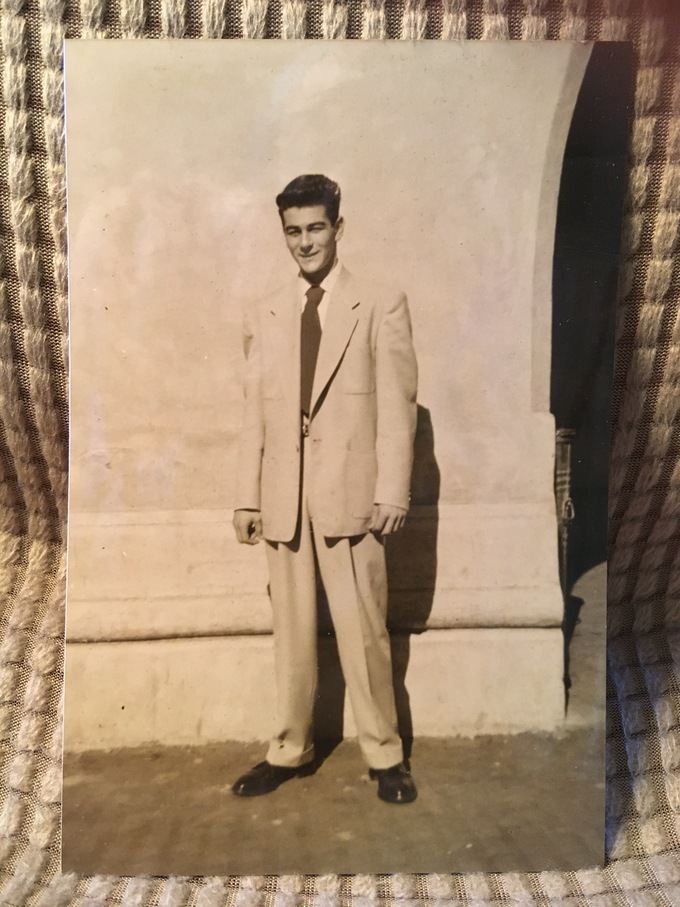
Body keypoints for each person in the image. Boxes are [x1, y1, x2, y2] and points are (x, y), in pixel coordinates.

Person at [232, 174, 418, 804]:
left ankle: (385, 755)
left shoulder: (381, 303)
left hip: (353, 495)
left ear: (338, 228)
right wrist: (248, 497)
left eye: (316, 228)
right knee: (291, 634)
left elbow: (398, 407)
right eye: (293, 232)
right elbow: (255, 412)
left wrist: (392, 491)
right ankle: (289, 750)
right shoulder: (265, 311)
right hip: (284, 498)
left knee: (364, 633)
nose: (305, 242)